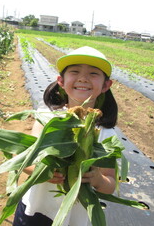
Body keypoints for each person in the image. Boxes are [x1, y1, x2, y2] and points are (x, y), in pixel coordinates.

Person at [13, 46, 119, 226]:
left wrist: (97, 179)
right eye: (75, 71)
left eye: (93, 73)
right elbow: (23, 159)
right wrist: (43, 171)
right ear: (61, 81)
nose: (83, 78)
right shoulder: (47, 119)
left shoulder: (106, 134)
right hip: (35, 211)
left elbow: (110, 183)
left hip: (73, 218)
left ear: (106, 85)